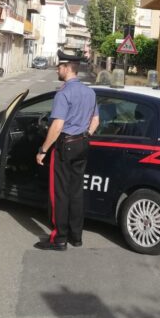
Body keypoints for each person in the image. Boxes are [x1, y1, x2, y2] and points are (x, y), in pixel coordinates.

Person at [34, 49, 99, 251]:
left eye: (59, 67)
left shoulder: (63, 93)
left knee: (59, 193)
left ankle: (59, 238)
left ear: (67, 68)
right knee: (76, 191)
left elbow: (57, 126)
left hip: (65, 145)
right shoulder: (90, 92)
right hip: (82, 144)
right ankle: (76, 236)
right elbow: (96, 121)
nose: (56, 70)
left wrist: (43, 150)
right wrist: (85, 135)